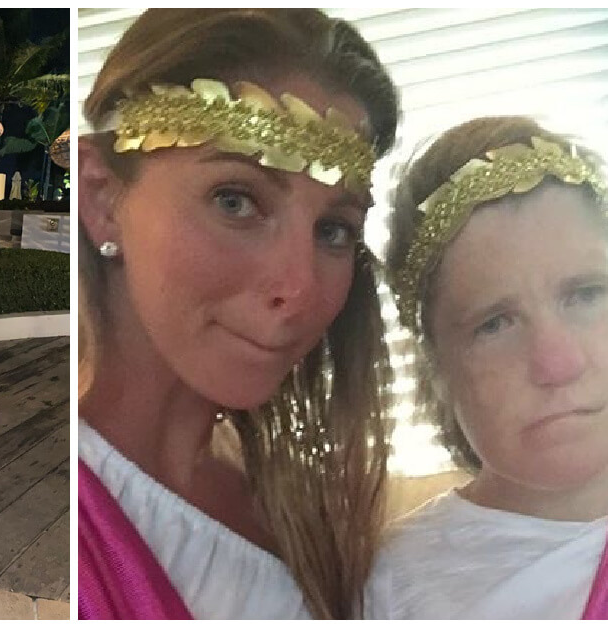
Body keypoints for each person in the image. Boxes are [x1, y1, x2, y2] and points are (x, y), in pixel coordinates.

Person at [77, 8, 401, 620]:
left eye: (333, 229)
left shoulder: (308, 506)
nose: (300, 288)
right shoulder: (67, 507)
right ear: (101, 197)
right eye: (236, 200)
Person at [367, 117, 608, 620]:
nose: (558, 363)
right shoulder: (397, 591)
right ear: (436, 369)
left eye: (585, 294)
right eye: (495, 324)